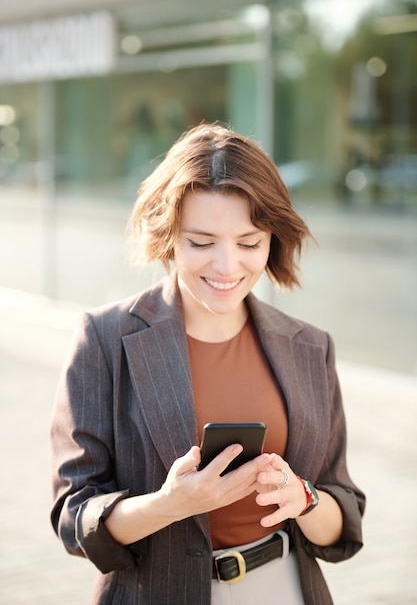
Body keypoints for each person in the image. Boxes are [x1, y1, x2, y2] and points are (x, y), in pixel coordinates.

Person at [50, 122, 365, 605]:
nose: (226, 266)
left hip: (284, 588)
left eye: (249, 242)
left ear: (272, 240)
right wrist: (170, 505)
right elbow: (75, 518)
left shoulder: (310, 347)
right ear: (168, 234)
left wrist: (303, 499)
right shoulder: (104, 339)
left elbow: (343, 518)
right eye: (201, 242)